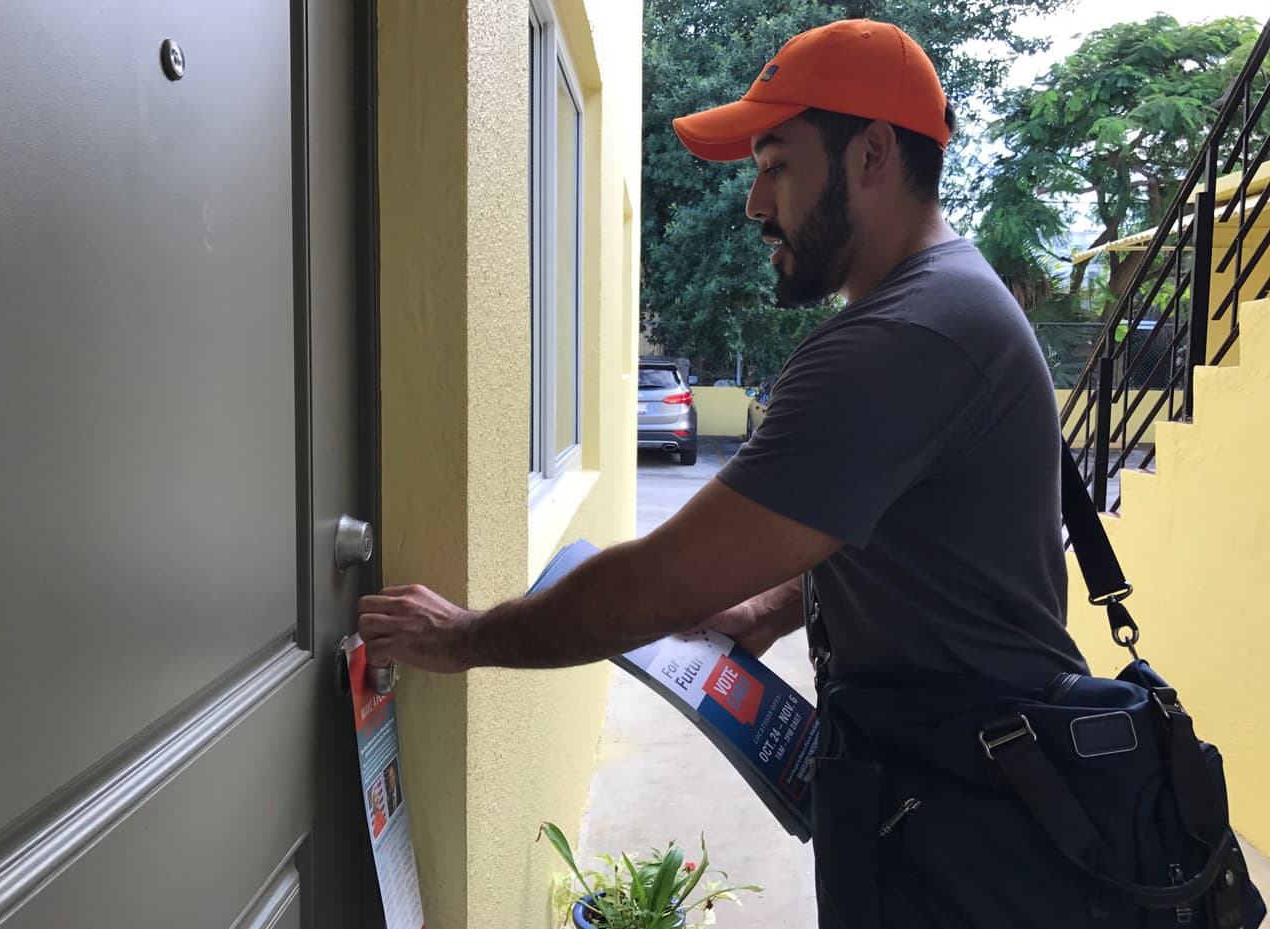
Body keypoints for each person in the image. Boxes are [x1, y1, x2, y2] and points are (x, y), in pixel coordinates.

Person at [359, 18, 1089, 926]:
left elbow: (656, 587)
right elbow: (880, 525)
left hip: (976, 832)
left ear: (870, 154)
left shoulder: (902, 338)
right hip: (962, 789)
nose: (753, 203)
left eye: (776, 164)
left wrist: (461, 637)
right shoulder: (948, 301)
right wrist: (767, 607)